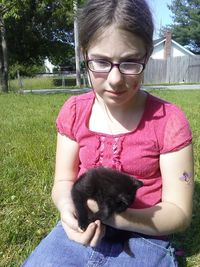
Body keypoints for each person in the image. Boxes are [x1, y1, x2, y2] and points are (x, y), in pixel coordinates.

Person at [21, 0, 194, 266]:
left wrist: (114, 217)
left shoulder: (169, 121)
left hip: (144, 235)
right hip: (79, 229)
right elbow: (63, 182)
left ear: (146, 56)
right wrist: (70, 213)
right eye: (101, 62)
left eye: (129, 63)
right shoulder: (75, 112)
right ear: (84, 53)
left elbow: (179, 213)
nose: (115, 79)